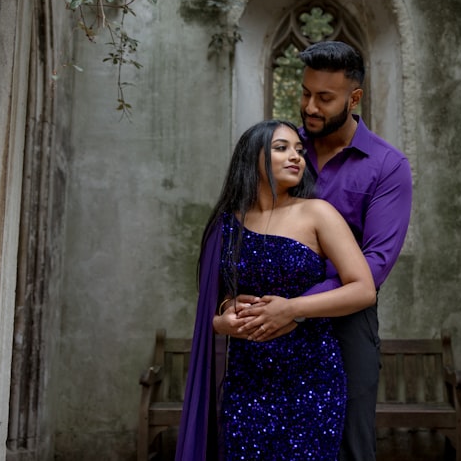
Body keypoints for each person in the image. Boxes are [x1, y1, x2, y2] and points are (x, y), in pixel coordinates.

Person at [235, 41, 414, 461]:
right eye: (305, 93)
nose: (310, 107)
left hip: (347, 322)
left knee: (349, 446)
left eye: (324, 98)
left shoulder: (388, 166)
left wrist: (295, 307)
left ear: (354, 99)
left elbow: (375, 266)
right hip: (270, 315)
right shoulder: (284, 151)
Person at [175, 119, 377, 461]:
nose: (295, 156)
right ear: (251, 157)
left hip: (311, 378)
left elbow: (363, 290)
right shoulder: (227, 223)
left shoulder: (318, 213)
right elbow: (218, 300)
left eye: (299, 150)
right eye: (281, 148)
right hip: (247, 379)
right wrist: (222, 319)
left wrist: (293, 309)